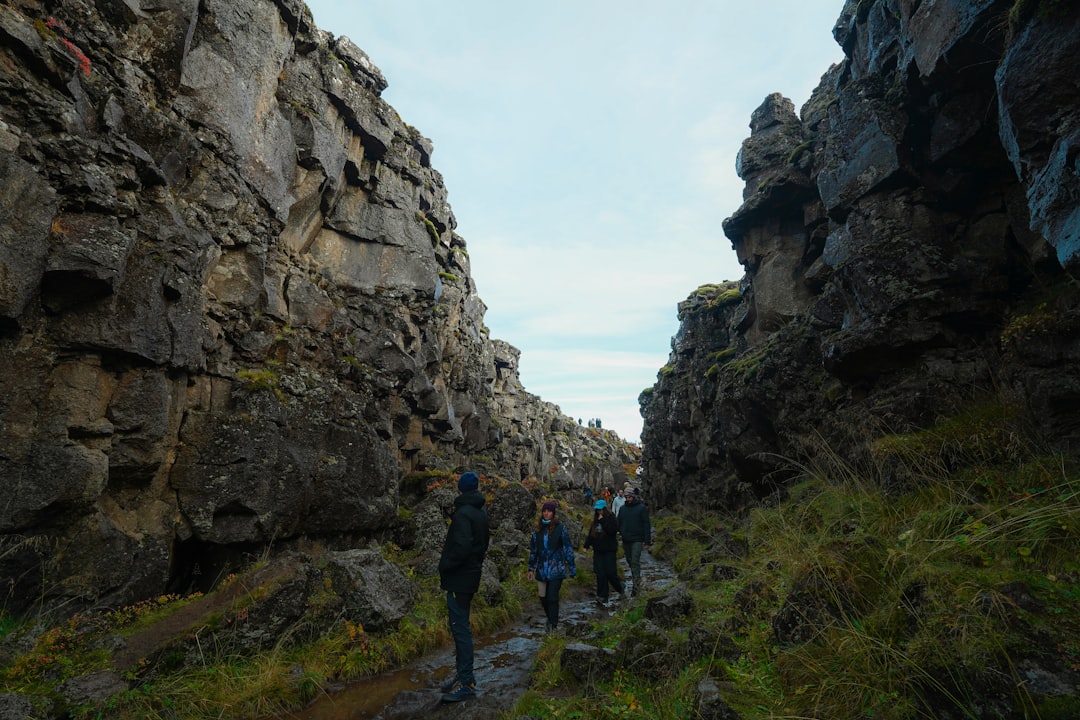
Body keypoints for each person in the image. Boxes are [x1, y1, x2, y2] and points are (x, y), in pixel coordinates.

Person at [438, 471, 490, 702]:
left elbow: (461, 548)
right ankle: (462, 676)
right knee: (462, 626)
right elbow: (480, 545)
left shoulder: (463, 514)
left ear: (461, 489)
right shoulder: (480, 512)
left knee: (460, 630)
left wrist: (444, 566)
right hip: (471, 576)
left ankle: (467, 682)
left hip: (460, 578)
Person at [527, 500, 576, 632]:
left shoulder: (561, 529)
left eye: (548, 511)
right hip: (542, 570)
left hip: (556, 569)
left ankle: (553, 625)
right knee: (543, 597)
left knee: (552, 597)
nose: (546, 513)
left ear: (553, 513)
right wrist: (531, 568)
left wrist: (571, 567)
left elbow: (567, 548)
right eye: (544, 511)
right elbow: (533, 551)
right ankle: (550, 618)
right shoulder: (537, 531)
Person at [583, 499, 624, 606]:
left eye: (600, 510)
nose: (599, 512)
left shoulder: (611, 518)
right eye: (597, 510)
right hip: (598, 551)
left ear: (605, 509)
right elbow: (591, 534)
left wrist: (603, 521)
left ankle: (620, 588)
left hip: (609, 550)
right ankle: (602, 595)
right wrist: (586, 545)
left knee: (610, 573)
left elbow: (612, 531)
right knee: (600, 574)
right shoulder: (595, 521)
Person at [617, 488, 651, 596]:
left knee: (635, 561)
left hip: (637, 539)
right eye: (626, 497)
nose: (628, 499)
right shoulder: (622, 509)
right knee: (630, 561)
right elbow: (618, 523)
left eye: (630, 497)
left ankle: (636, 586)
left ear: (633, 497)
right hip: (626, 539)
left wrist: (647, 541)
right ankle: (635, 578)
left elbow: (646, 524)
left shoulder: (641, 508)